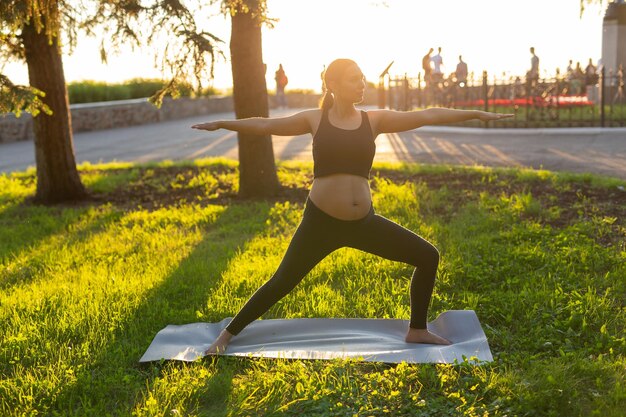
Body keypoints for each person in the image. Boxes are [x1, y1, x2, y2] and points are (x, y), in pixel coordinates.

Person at [192, 58, 513, 355]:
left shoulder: (374, 120)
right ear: (332, 85)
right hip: (321, 223)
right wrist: (223, 123)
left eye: (362, 78)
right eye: (353, 79)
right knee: (283, 281)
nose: (361, 84)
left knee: (428, 256)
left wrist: (476, 114)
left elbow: (428, 114)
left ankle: (417, 329)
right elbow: (265, 125)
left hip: (364, 223)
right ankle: (226, 336)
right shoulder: (314, 119)